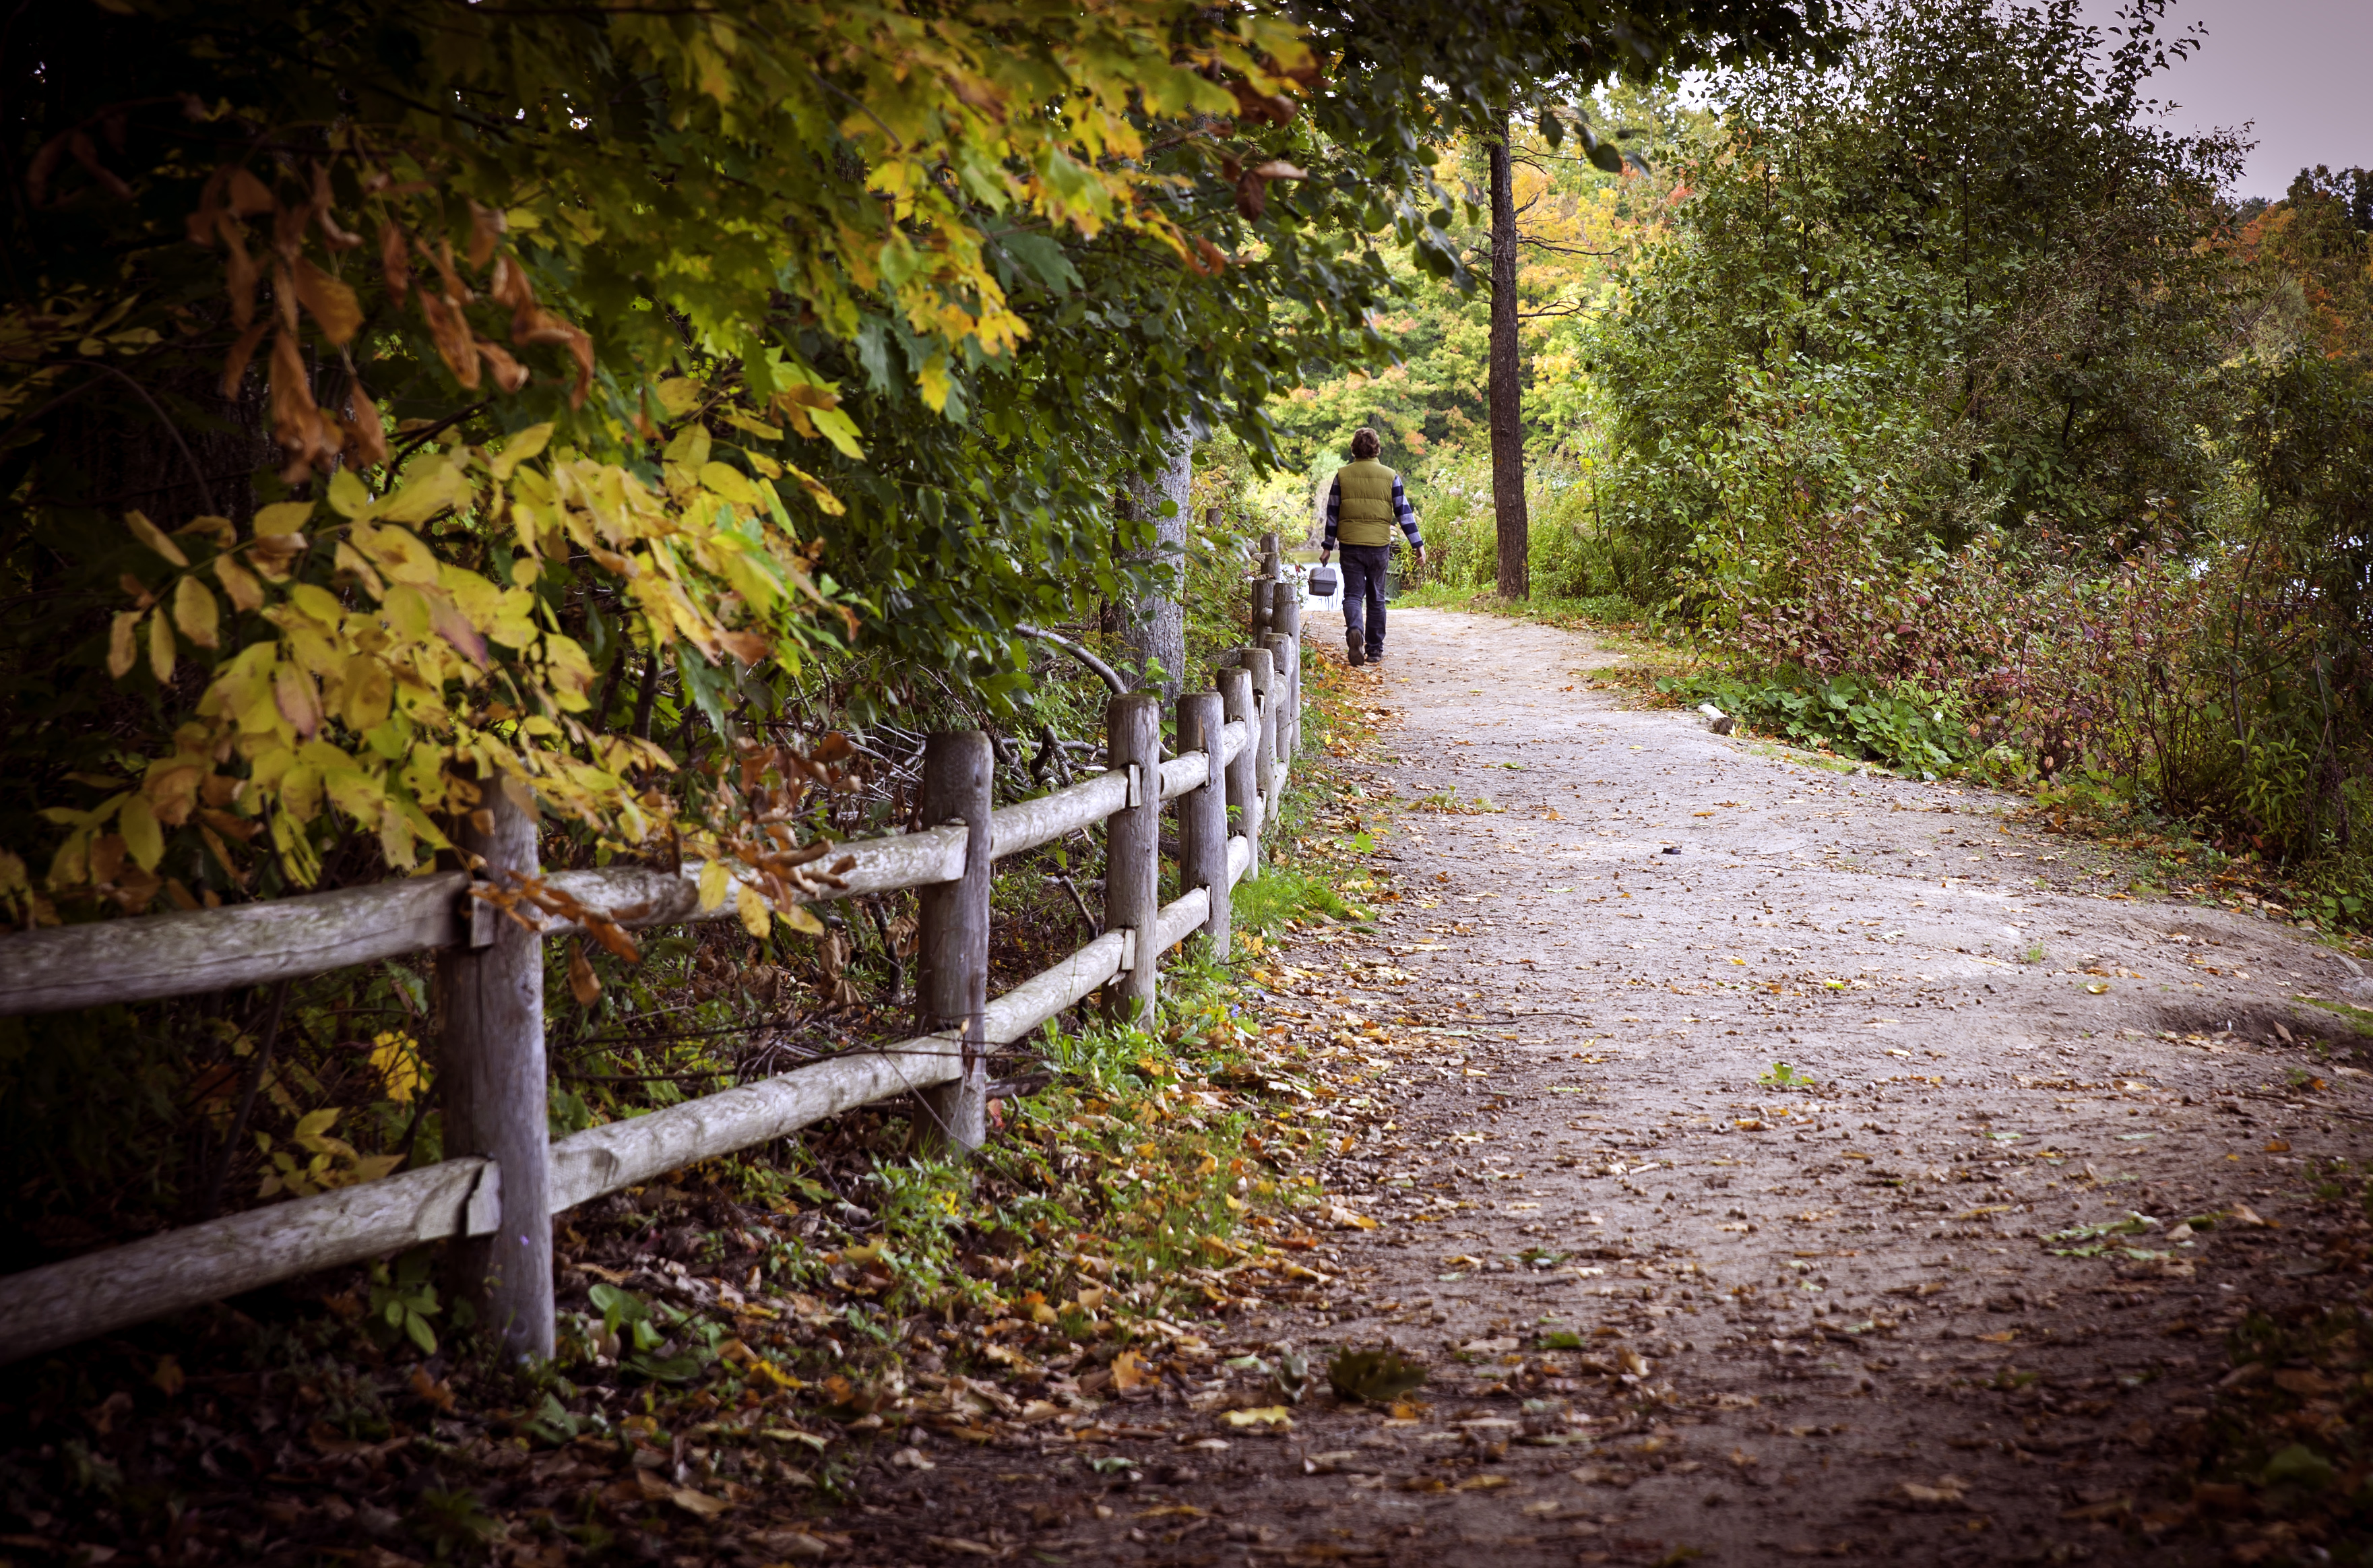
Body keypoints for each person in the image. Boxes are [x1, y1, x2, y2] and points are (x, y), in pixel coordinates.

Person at [1319, 427, 1425, 666]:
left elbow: (1332, 514)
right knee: (1377, 598)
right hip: (1378, 545)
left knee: (1353, 595)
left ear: (1354, 449)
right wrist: (1417, 544)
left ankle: (1355, 630)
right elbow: (1404, 513)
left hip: (1350, 545)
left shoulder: (1342, 475)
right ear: (1377, 448)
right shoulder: (1390, 476)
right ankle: (1375, 650)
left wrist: (1327, 546)